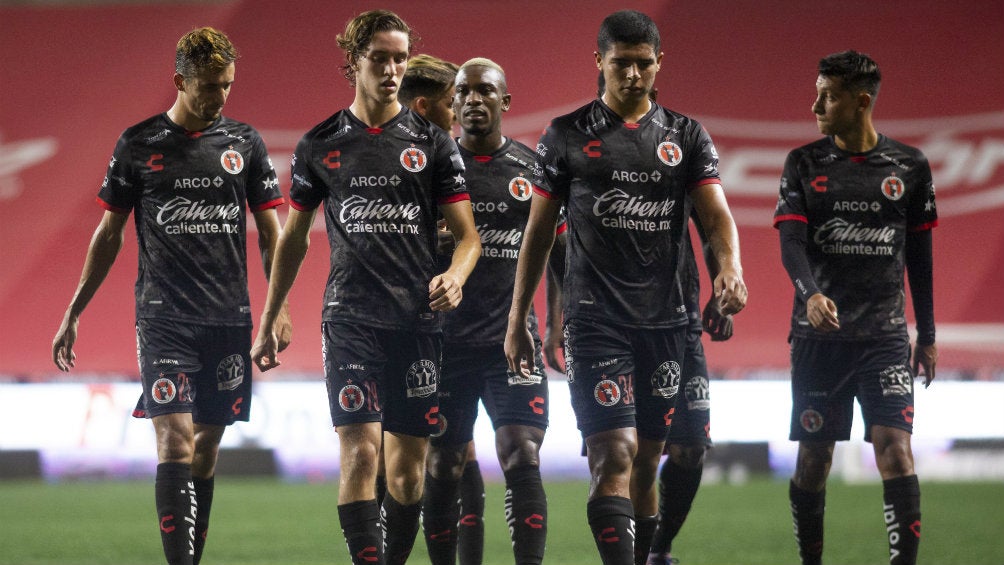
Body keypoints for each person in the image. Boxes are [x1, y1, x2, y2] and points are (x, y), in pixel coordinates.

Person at [505, 10, 747, 565]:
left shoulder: (686, 136)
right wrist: (520, 317)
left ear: (659, 62)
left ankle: (651, 553)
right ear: (599, 62)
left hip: (666, 320)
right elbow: (539, 234)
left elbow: (715, 217)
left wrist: (728, 269)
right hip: (595, 322)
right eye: (622, 63)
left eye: (643, 63)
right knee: (613, 454)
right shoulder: (565, 135)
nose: (633, 74)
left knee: (647, 463)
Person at [51, 27, 289, 565]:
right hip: (162, 318)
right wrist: (73, 311)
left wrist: (280, 310)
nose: (219, 97)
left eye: (226, 85)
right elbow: (108, 234)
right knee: (175, 443)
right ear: (179, 80)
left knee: (205, 447)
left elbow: (274, 235)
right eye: (207, 86)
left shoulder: (244, 144)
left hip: (229, 318)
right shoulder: (138, 144)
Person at [249, 10, 480, 565]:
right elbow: (294, 239)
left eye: (401, 58)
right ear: (354, 61)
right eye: (381, 58)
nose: (393, 69)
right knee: (359, 454)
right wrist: (271, 314)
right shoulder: (320, 145)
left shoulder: (433, 144)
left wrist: (455, 274)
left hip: (418, 323)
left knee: (405, 476)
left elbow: (469, 238)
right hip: (350, 319)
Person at [773, 50, 937, 565]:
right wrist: (811, 293)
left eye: (829, 95)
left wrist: (926, 334)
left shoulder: (909, 167)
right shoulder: (804, 163)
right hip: (818, 340)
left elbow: (920, 256)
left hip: (884, 339)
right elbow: (791, 243)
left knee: (895, 449)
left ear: (860, 101)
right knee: (814, 459)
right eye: (818, 91)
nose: (816, 103)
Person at [422, 58, 552, 565]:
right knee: (445, 459)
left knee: (522, 450)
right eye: (465, 92)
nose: (475, 99)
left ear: (506, 101)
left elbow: (557, 254)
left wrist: (557, 326)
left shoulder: (533, 170)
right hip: (444, 344)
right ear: (451, 104)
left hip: (511, 342)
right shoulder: (431, 169)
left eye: (486, 91)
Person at [397, 53, 489, 565]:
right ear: (424, 105)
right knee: (425, 458)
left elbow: (470, 240)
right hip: (411, 327)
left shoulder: (448, 159)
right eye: (452, 102)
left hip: (458, 324)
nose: (459, 112)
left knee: (451, 450)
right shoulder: (402, 158)